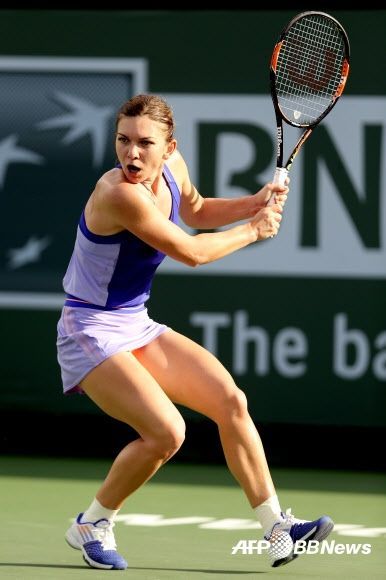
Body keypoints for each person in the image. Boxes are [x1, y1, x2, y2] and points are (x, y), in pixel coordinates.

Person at [57, 94, 333, 571]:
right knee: (166, 432)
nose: (132, 154)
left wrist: (255, 201)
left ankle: (277, 528)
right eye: (123, 141)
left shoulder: (170, 168)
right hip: (89, 328)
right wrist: (254, 228)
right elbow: (192, 252)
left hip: (134, 322)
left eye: (146, 143)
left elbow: (198, 210)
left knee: (231, 401)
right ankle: (92, 523)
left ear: (170, 148)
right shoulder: (118, 194)